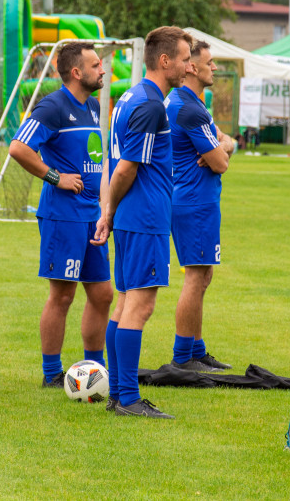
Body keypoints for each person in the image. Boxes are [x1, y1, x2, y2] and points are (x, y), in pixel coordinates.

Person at [96, 25, 192, 419]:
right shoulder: (151, 104)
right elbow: (125, 169)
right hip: (145, 216)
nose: (189, 66)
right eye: (185, 59)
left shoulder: (130, 97)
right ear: (165, 60)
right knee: (141, 304)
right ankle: (128, 398)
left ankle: (119, 394)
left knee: (124, 302)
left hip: (135, 216)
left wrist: (111, 211)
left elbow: (113, 162)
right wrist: (109, 210)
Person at [7, 42, 113, 388]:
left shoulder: (95, 107)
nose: (102, 70)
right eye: (96, 65)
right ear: (76, 72)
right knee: (63, 295)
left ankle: (93, 371)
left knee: (102, 294)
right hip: (62, 216)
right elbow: (18, 148)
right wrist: (56, 177)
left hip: (92, 215)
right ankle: (51, 373)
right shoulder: (52, 106)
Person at [166, 39, 236, 373]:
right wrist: (223, 148)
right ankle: (183, 357)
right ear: (192, 66)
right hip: (194, 201)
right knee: (195, 277)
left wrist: (225, 144)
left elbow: (224, 145)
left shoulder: (191, 103)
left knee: (203, 274)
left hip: (198, 199)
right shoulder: (189, 108)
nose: (214, 68)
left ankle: (196, 349)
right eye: (210, 62)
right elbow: (220, 163)